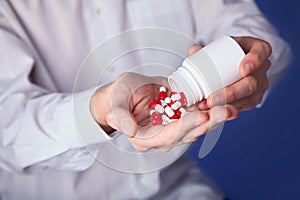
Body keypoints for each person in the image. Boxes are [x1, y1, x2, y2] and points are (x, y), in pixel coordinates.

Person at [0, 0, 290, 199]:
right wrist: (101, 111)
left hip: (177, 188)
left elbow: (243, 23)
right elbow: (8, 130)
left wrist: (248, 57)